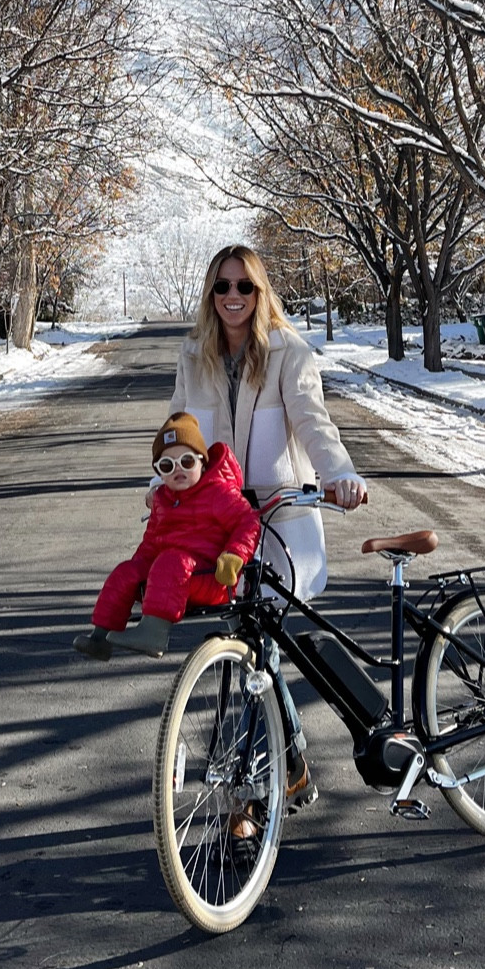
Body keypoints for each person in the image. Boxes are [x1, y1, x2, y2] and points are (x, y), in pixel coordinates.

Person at [168, 244, 368, 810]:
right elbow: (177, 436)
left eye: (244, 286)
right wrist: (162, 493)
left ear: (260, 292)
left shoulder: (288, 352)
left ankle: (252, 798)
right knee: (252, 650)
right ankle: (292, 764)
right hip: (220, 523)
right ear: (211, 294)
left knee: (259, 650)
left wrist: (340, 474)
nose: (233, 296)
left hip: (278, 521)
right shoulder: (194, 356)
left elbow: (313, 422)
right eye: (223, 286)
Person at [74, 412, 261, 661]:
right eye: (167, 466)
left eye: (187, 461)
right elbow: (151, 543)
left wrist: (234, 555)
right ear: (160, 473)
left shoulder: (218, 493)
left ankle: (153, 634)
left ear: (202, 463)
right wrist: (136, 572)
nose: (178, 470)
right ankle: (101, 637)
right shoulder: (162, 499)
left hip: (211, 578)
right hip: (171, 578)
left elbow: (248, 521)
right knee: (126, 572)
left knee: (170, 561)